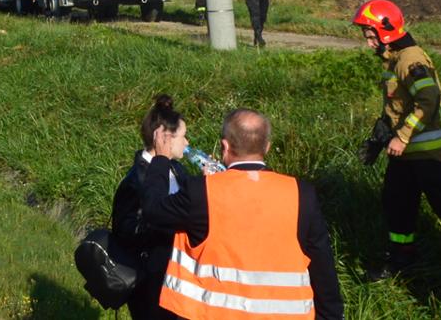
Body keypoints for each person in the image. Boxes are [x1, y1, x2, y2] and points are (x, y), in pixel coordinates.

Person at [143, 108, 343, 319]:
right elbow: (323, 270)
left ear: (224, 146)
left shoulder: (201, 192)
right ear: (267, 147)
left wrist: (161, 159)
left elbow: (152, 208)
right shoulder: (302, 194)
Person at [351, 0, 441, 281]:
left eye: (371, 35)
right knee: (396, 202)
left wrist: (401, 136)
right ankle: (402, 257)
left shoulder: (410, 59)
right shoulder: (393, 60)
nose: (368, 42)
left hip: (428, 154)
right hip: (406, 154)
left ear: (386, 31)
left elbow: (429, 98)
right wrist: (379, 138)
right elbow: (397, 106)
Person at [109, 94, 192, 319]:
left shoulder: (177, 170)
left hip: (177, 277)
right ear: (164, 137)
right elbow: (124, 231)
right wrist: (169, 225)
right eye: (183, 136)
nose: (187, 143)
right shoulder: (135, 180)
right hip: (150, 282)